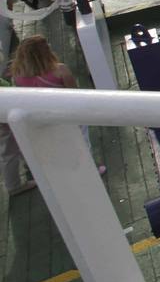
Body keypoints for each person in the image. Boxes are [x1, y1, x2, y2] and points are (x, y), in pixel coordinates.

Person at [4, 35, 106, 192]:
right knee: (81, 142)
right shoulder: (60, 71)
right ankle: (89, 171)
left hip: (42, 118)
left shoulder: (18, 76)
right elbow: (74, 94)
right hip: (65, 115)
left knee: (56, 146)